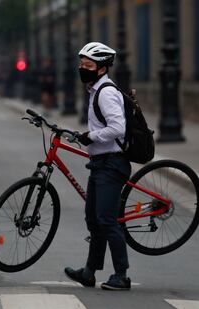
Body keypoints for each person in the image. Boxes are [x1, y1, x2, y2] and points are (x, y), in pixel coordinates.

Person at [64, 42, 132, 290]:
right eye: (81, 65)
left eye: (88, 65)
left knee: (106, 219)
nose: (83, 69)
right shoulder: (95, 90)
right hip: (99, 164)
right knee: (93, 219)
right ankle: (89, 273)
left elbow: (118, 128)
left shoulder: (106, 93)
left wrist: (91, 137)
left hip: (112, 165)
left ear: (102, 69)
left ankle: (121, 275)